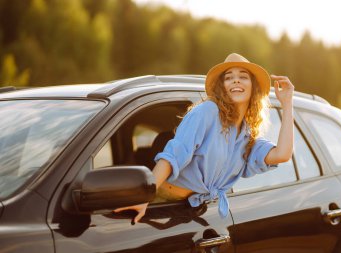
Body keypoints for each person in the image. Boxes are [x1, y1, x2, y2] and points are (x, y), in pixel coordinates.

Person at [114, 53, 294, 223]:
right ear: (221, 87)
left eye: (243, 76)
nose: (236, 79)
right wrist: (144, 197)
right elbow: (173, 155)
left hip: (194, 211)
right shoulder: (208, 112)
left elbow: (283, 154)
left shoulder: (248, 136)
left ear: (253, 87)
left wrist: (287, 103)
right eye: (229, 77)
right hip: (162, 201)